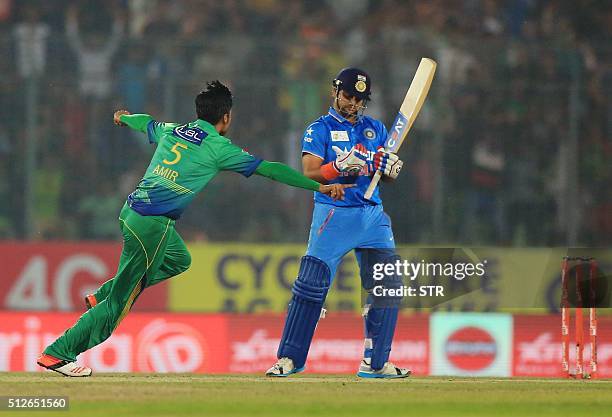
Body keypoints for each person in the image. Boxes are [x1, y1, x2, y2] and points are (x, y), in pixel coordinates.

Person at [37, 80, 351, 377]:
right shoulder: (218, 147)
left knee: (179, 260)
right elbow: (270, 170)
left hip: (131, 212)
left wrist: (125, 118)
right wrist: (319, 187)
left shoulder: (174, 130)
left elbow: (146, 122)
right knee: (120, 304)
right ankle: (60, 353)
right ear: (226, 117)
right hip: (152, 227)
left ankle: (106, 291)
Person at [266, 68, 409, 378]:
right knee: (310, 286)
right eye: (348, 96)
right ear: (335, 91)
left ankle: (376, 363)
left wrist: (390, 168)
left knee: (388, 286)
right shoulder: (320, 129)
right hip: (334, 214)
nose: (353, 104)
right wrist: (339, 166)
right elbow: (309, 173)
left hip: (372, 215)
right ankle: (290, 359)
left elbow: (383, 175)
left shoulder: (376, 129)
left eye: (360, 100)